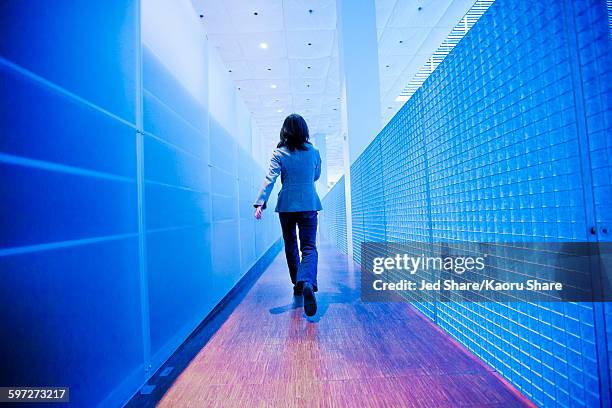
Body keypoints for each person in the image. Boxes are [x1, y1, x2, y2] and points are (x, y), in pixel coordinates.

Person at [253, 113, 323, 317]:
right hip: (309, 204)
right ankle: (308, 281)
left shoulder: (279, 153)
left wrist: (260, 202)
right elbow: (316, 175)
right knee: (309, 246)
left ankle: (298, 284)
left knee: (291, 245)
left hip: (286, 206)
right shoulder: (314, 152)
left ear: (284, 131)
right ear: (304, 131)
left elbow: (270, 179)